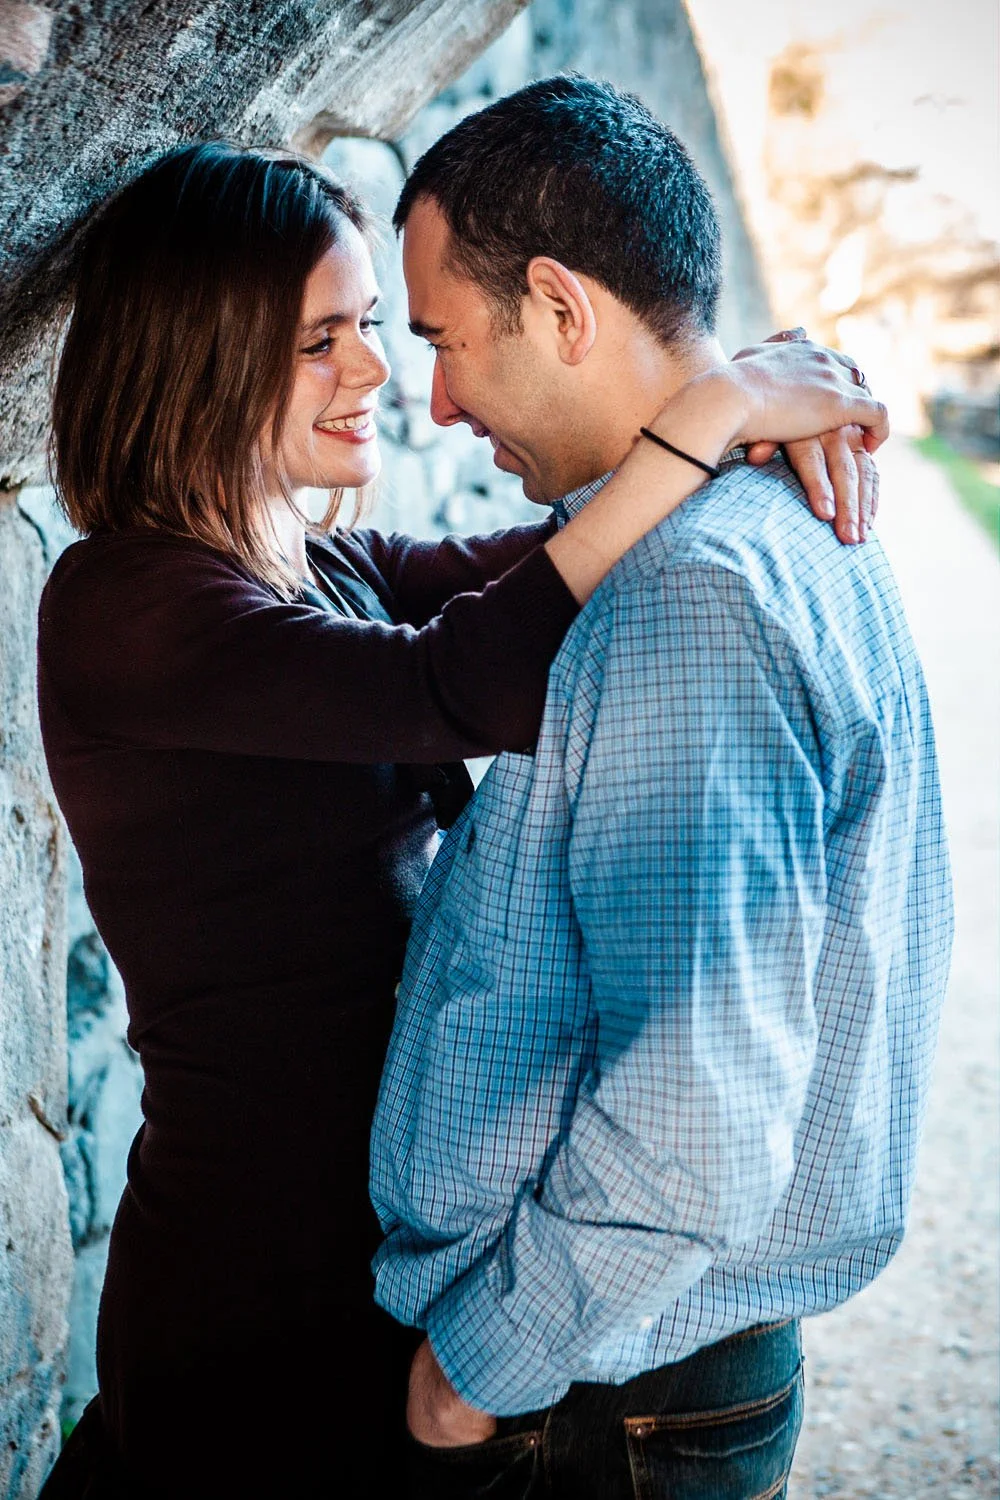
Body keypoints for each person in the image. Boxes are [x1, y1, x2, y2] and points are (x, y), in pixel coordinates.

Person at [34, 139, 879, 1499]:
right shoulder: (122, 605)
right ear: (198, 355)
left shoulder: (322, 560)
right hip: (254, 1278)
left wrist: (758, 412)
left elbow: (550, 564)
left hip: (383, 1255)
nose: (376, 372)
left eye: (368, 324)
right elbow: (471, 678)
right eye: (324, 339)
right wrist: (712, 409)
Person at [370, 75, 954, 1500]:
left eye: (446, 341)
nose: (434, 403)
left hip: (600, 1403)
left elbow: (695, 1110)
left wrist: (478, 1370)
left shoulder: (691, 602)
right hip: (642, 1382)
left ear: (564, 310)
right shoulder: (757, 518)